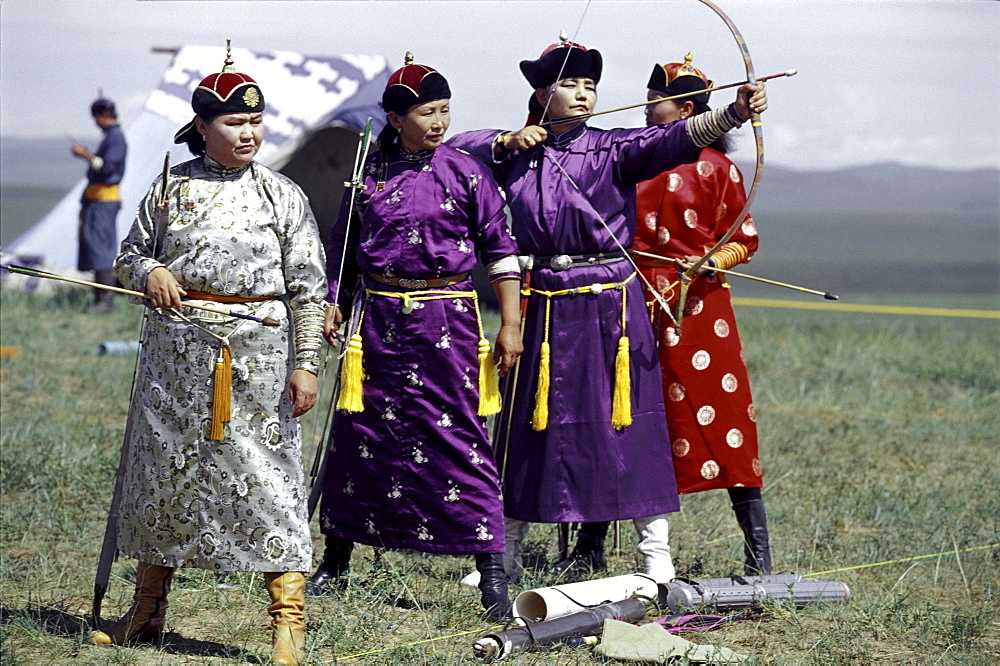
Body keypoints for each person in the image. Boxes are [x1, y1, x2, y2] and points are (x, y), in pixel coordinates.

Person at [448, 38, 767, 587]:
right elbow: (454, 150)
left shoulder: (614, 148)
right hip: (544, 297)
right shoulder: (516, 151)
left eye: (591, 86)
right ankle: (507, 553)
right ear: (542, 93)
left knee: (630, 425)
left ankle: (655, 556)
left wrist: (735, 112)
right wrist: (506, 139)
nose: (583, 95)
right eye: (570, 85)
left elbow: (675, 137)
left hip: (610, 304)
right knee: (530, 427)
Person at [94, 46, 326, 665]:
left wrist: (307, 364)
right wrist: (149, 272)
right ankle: (146, 613)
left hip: (258, 361)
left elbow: (309, 289)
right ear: (202, 126)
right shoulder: (169, 188)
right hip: (175, 361)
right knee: (163, 477)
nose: (248, 132)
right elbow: (127, 255)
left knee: (267, 484)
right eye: (233, 122)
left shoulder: (283, 195)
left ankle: (287, 622)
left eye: (256, 122)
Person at [311, 54, 522, 622]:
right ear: (395, 117)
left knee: (461, 440)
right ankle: (336, 559)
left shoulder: (466, 172)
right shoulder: (367, 174)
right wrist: (333, 302)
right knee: (361, 434)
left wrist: (512, 324)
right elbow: (343, 249)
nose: (439, 122)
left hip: (446, 323)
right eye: (427, 112)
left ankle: (494, 579)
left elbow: (502, 253)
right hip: (375, 322)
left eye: (445, 111)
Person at [558, 55, 773, 578]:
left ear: (687, 109)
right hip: (628, 297)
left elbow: (744, 241)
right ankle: (590, 545)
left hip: (698, 306)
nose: (650, 104)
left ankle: (760, 554)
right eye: (651, 95)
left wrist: (708, 260)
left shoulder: (720, 169)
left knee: (725, 420)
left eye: (659, 98)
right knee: (619, 411)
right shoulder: (627, 155)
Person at [72, 95, 127, 313]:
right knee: (95, 246)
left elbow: (107, 168)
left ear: (104, 115)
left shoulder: (116, 138)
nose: (95, 122)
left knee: (101, 247)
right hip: (97, 200)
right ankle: (100, 299)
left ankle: (106, 302)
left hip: (103, 201)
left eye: (96, 117)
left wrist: (85, 155)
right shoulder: (111, 137)